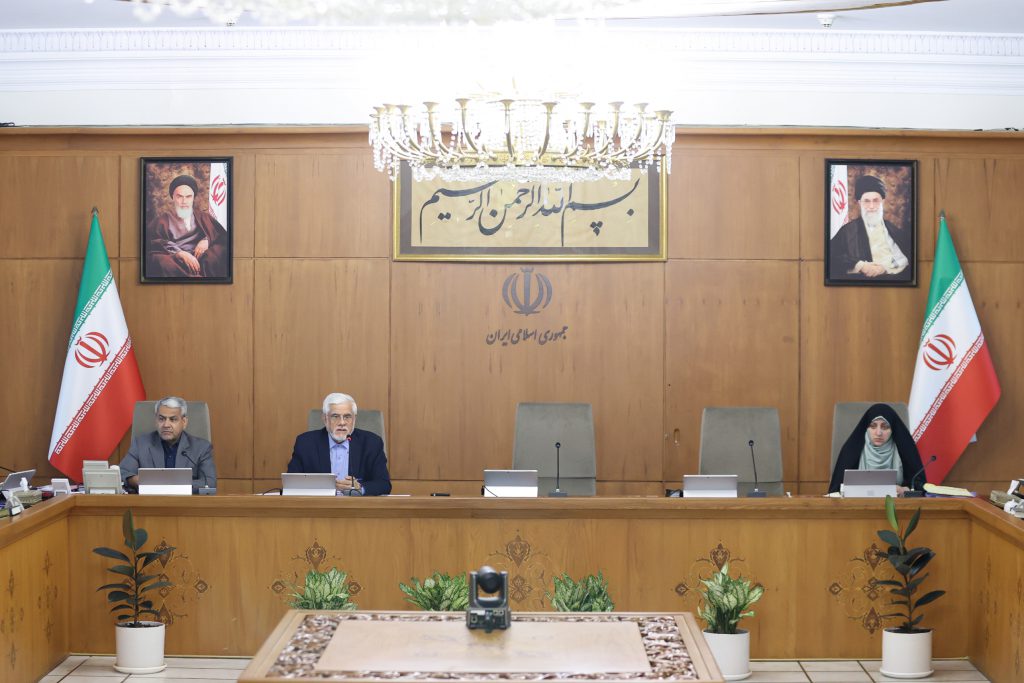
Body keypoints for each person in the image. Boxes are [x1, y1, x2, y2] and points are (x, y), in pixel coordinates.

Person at [287, 392, 391, 496]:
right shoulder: (305, 443)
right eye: (335, 416)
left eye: (347, 416)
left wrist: (360, 488)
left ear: (354, 419)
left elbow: (384, 484)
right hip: (320, 504)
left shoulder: (371, 443)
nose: (342, 422)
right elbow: (291, 484)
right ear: (325, 419)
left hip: (357, 504)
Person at [120, 396, 217, 493]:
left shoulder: (201, 448)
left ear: (184, 422)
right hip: (150, 500)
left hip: (186, 501)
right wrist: (138, 481)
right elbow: (122, 473)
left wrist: (170, 485)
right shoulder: (141, 444)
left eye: (173, 419)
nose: (166, 425)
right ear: (156, 420)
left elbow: (209, 482)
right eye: (161, 419)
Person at [828, 403, 924, 494]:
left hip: (896, 504)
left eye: (885, 427)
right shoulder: (851, 450)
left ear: (893, 429)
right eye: (873, 426)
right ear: (866, 428)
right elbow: (835, 491)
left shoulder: (904, 449)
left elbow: (920, 485)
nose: (878, 433)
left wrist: (905, 490)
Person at [829, 174, 911, 281]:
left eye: (876, 201)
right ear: (859, 203)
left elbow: (906, 260)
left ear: (882, 202)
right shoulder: (847, 231)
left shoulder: (894, 230)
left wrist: (884, 268)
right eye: (866, 201)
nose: (871, 206)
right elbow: (832, 257)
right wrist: (860, 265)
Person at [146, 174, 228, 278]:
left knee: (218, 252)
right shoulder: (162, 220)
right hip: (175, 259)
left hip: (200, 258)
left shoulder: (203, 217)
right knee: (161, 262)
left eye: (188, 197)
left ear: (193, 198)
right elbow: (153, 242)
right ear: (173, 197)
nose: (184, 201)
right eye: (179, 196)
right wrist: (180, 253)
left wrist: (206, 240)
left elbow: (220, 235)